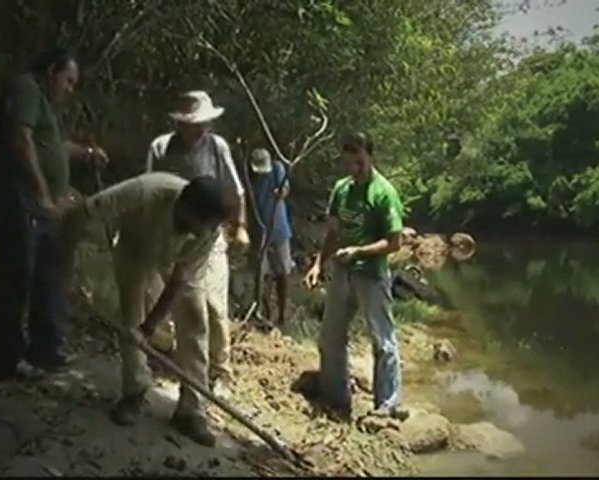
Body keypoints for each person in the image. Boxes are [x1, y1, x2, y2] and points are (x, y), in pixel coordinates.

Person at [67, 172, 235, 447]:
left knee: (194, 319)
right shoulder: (146, 191)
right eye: (198, 225)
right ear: (183, 206)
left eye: (207, 227)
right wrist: (64, 271)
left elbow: (179, 281)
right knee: (130, 314)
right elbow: (81, 213)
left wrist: (148, 329)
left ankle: (191, 409)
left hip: (177, 259)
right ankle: (134, 391)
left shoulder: (207, 230)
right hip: (135, 246)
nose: (200, 232)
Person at [0, 47, 108, 381]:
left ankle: (46, 349)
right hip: (16, 197)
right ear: (51, 71)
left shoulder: (43, 103)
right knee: (16, 274)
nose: (70, 89)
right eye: (68, 81)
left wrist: (87, 153)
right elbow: (20, 140)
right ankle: (6, 358)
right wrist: (42, 193)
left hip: (37, 204)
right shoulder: (25, 88)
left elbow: (54, 146)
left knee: (47, 273)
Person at [145, 90, 249, 399]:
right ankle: (170, 358)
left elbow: (236, 191)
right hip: (169, 233)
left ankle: (220, 372)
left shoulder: (217, 147)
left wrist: (239, 226)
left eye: (205, 122)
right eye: (196, 123)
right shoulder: (161, 147)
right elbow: (148, 188)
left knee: (214, 306)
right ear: (180, 124)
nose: (202, 128)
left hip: (209, 236)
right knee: (166, 299)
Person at [303, 132, 406, 420]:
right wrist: (317, 265)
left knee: (382, 339)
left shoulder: (383, 192)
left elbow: (395, 242)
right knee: (330, 337)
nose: (354, 169)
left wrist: (360, 251)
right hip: (342, 272)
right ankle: (337, 400)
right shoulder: (341, 189)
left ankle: (387, 405)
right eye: (349, 163)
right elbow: (334, 232)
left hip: (371, 274)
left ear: (371, 157)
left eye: (359, 162)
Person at [248, 147, 293, 326]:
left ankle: (282, 315)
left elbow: (286, 188)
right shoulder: (248, 175)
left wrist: (281, 193)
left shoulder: (277, 169)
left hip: (279, 228)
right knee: (261, 274)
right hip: (259, 230)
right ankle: (262, 311)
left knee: (282, 272)